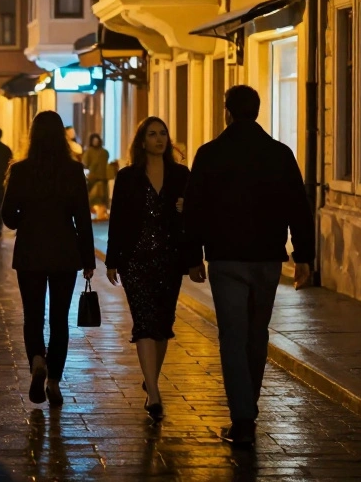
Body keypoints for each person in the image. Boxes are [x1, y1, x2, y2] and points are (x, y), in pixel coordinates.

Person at [182, 85, 315, 447]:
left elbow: (194, 209)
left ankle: (243, 417)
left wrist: (192, 256)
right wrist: (303, 255)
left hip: (226, 258)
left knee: (232, 337)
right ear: (256, 111)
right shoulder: (279, 153)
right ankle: (247, 406)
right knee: (257, 335)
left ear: (227, 111)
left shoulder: (210, 154)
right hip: (268, 259)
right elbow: (298, 207)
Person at [2, 111, 96, 407]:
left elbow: (8, 217)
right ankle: (54, 380)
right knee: (59, 319)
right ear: (61, 137)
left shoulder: (20, 171)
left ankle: (37, 361)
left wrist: (25, 219)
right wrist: (89, 258)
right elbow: (83, 217)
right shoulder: (72, 170)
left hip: (30, 251)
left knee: (33, 315)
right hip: (64, 252)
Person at [104, 117, 192, 422]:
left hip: (170, 258)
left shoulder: (181, 175)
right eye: (152, 134)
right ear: (142, 141)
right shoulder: (128, 177)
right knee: (143, 320)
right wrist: (112, 259)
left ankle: (150, 377)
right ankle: (153, 393)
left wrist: (194, 258)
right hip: (135, 259)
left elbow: (192, 218)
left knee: (163, 322)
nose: (159, 138)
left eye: (163, 133)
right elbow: (117, 219)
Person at [82, 134, 111, 222]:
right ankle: (97, 213)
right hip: (92, 178)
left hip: (103, 177)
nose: (95, 142)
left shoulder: (104, 152)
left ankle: (101, 213)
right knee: (94, 196)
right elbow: (85, 163)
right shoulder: (89, 152)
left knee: (101, 195)